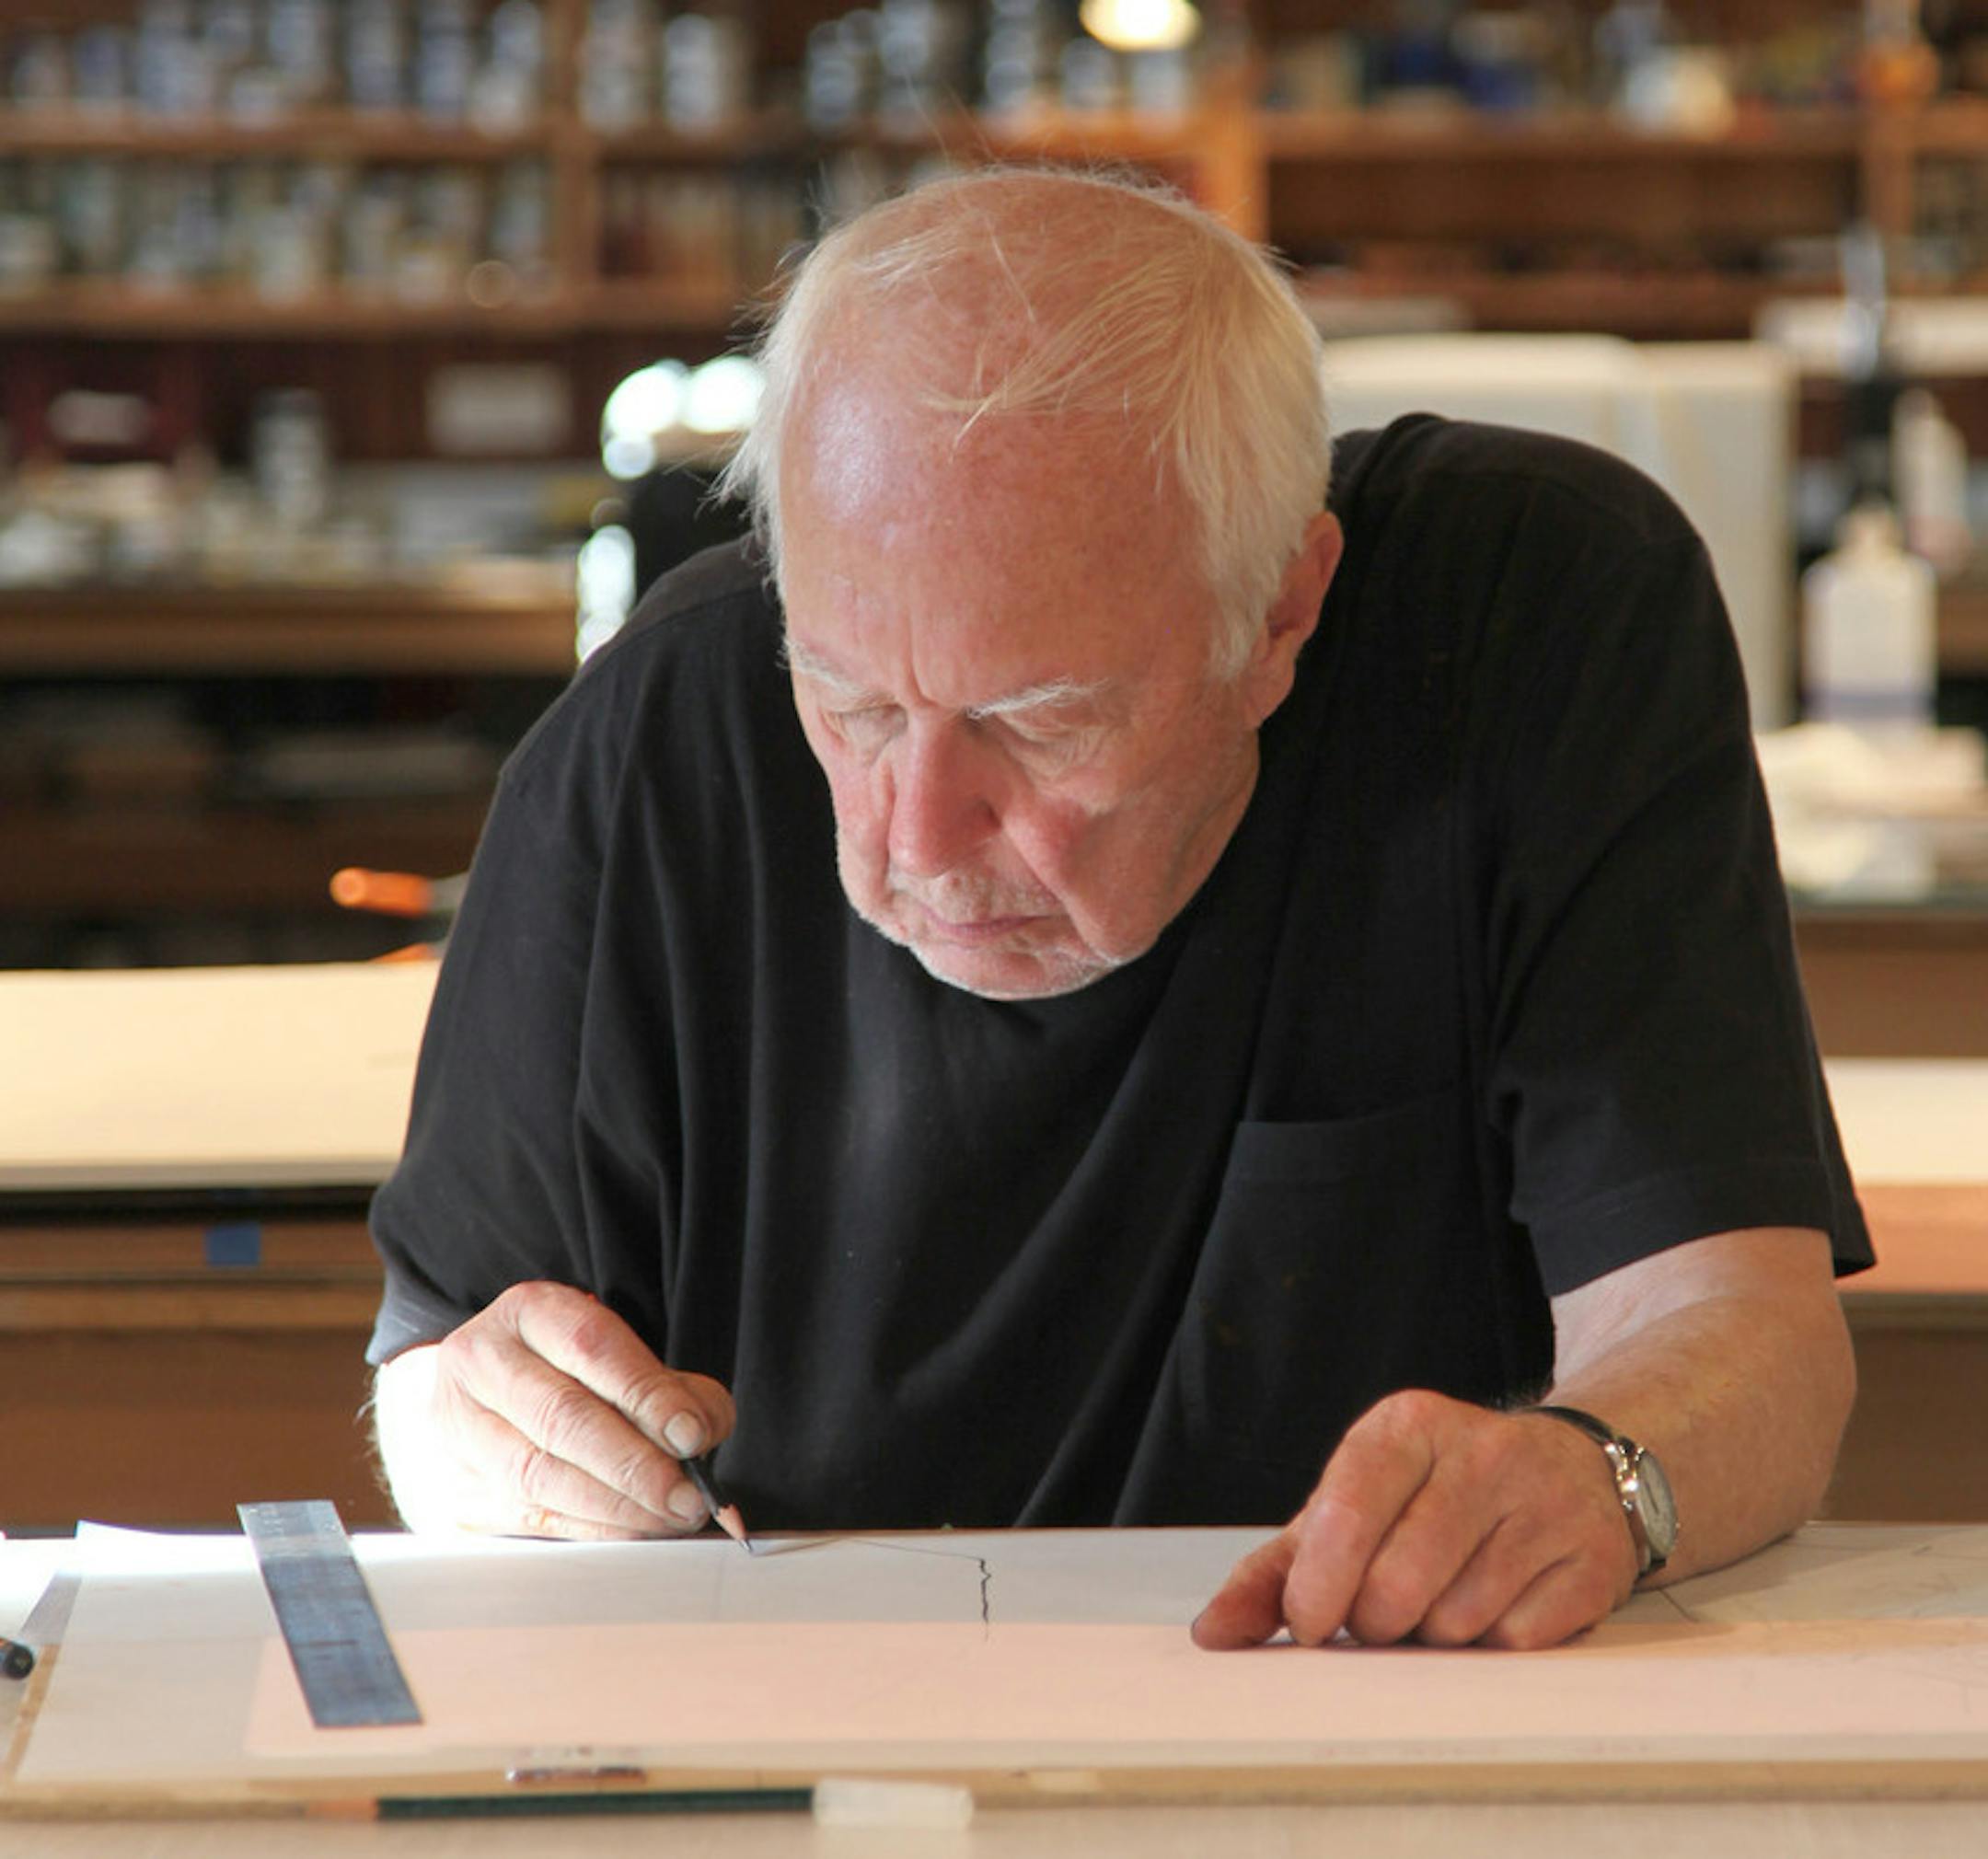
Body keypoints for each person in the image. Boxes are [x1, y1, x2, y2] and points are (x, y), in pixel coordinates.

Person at [367, 167, 1867, 1653]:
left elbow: (1751, 1336)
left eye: (1043, 720)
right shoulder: (656, 745)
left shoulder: (1530, 626)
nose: (921, 838)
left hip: (1358, 1706)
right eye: (856, 702)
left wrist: (1601, 1473)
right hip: (803, 1719)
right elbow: (437, 1380)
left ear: (1283, 611)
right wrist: (470, 1433)